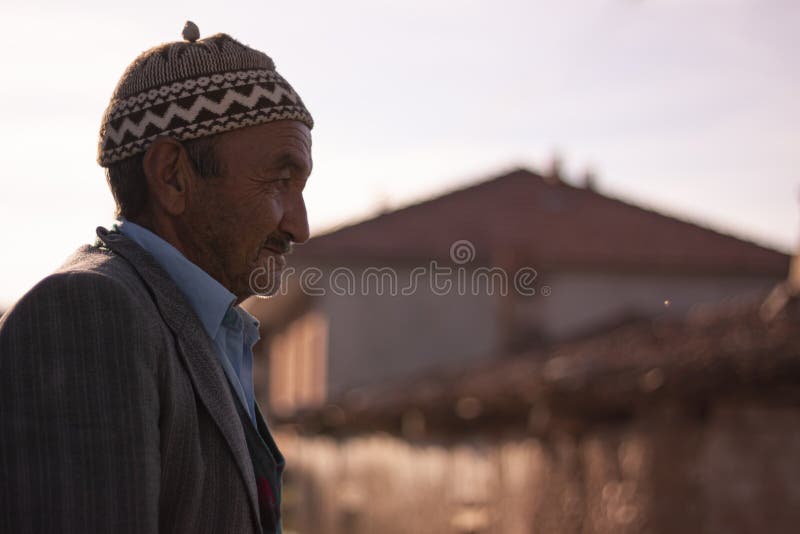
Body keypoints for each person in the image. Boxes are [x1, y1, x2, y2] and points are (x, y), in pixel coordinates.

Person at [0, 21, 313, 534]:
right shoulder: (89, 315)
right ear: (171, 175)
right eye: (279, 181)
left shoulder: (190, 325)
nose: (298, 226)